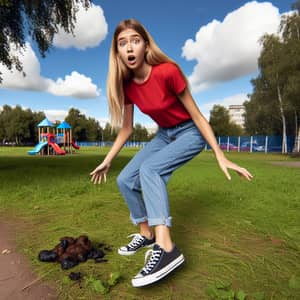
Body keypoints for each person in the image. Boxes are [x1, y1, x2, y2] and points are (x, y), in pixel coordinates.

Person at [90, 19, 253, 287]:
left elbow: (198, 117)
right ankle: (147, 234)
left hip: (190, 132)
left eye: (135, 40)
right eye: (122, 43)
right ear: (117, 52)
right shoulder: (127, 86)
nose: (129, 47)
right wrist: (107, 161)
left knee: (150, 170)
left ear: (145, 45)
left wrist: (219, 154)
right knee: (125, 180)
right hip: (164, 134)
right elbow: (127, 128)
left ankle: (166, 248)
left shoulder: (168, 72)